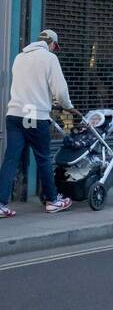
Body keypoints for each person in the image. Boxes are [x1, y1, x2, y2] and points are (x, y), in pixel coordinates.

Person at [0, 30, 75, 217]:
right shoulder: (49, 59)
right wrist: (68, 107)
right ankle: (53, 200)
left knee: (11, 158)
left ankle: (1, 204)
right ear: (52, 44)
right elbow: (60, 90)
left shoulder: (19, 57)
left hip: (14, 112)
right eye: (55, 47)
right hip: (33, 113)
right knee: (42, 157)